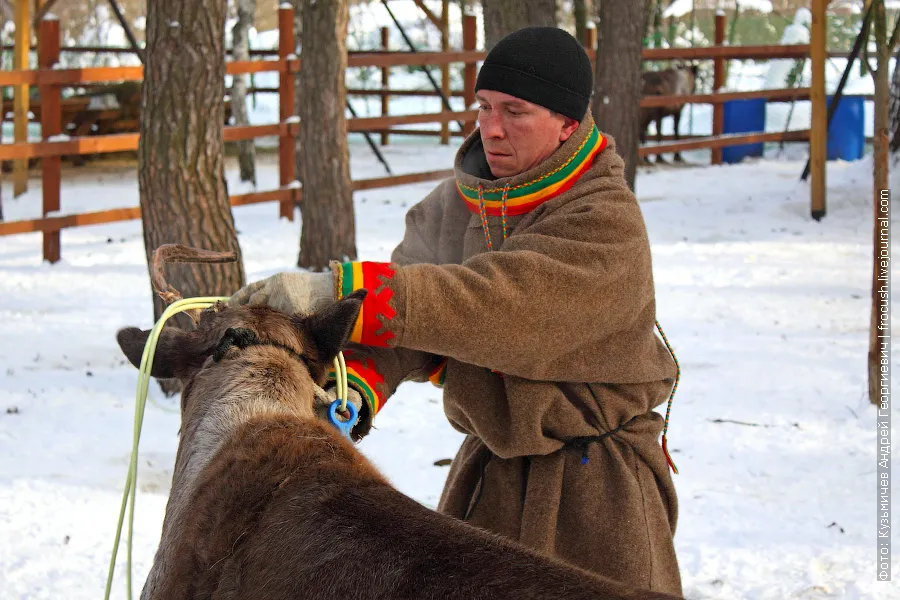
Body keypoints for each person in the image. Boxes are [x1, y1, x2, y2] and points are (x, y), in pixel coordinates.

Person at [230, 26, 683, 596]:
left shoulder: (605, 219)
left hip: (596, 491)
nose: (491, 127)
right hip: (488, 481)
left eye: (515, 111)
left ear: (568, 124)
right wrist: (356, 389)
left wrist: (341, 288)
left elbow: (495, 305)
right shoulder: (455, 206)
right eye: (484, 107)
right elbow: (413, 331)